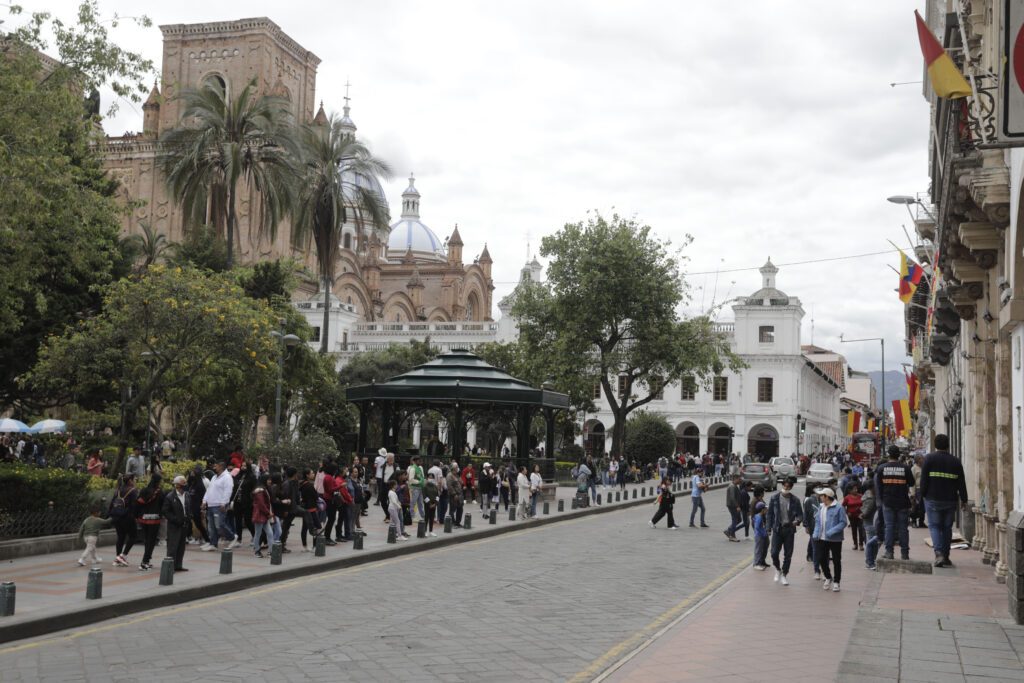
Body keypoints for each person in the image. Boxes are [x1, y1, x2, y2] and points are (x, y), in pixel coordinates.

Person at [921, 434, 968, 568]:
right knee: (947, 528)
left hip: (933, 499)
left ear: (935, 445)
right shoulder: (956, 461)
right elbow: (961, 483)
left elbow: (924, 480)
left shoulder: (929, 459)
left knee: (935, 526)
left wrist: (922, 496)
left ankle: (939, 554)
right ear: (948, 445)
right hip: (950, 500)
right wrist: (964, 500)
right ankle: (946, 556)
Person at [875, 445, 915, 561]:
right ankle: (904, 553)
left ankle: (889, 552)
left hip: (888, 502)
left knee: (889, 527)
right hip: (902, 502)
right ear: (899, 455)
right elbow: (912, 483)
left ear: (888, 455)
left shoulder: (881, 468)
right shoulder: (905, 468)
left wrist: (883, 499)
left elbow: (879, 487)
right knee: (903, 528)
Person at [767, 476, 802, 585]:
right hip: (778, 529)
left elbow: (800, 515)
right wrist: (768, 528)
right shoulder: (774, 498)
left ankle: (785, 574)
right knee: (773, 553)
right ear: (782, 486)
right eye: (784, 486)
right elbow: (769, 514)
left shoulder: (795, 500)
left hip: (789, 530)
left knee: (788, 554)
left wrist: (798, 520)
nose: (785, 488)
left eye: (788, 487)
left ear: (791, 488)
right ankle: (778, 569)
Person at [813, 487, 848, 592]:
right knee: (821, 559)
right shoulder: (821, 507)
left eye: (821, 495)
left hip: (835, 539)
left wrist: (831, 532)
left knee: (836, 561)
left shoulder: (838, 508)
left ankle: (837, 582)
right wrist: (815, 533)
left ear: (827, 497)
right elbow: (818, 522)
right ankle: (828, 577)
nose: (819, 497)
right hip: (822, 538)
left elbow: (843, 522)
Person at [202, 460, 238, 550]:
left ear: (221, 467)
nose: (214, 467)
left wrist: (224, 503)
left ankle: (232, 537)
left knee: (220, 524)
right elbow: (209, 490)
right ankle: (213, 544)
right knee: (212, 526)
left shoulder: (227, 477)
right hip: (211, 504)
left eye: (216, 466)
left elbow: (228, 491)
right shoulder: (214, 477)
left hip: (219, 505)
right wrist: (204, 501)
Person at [108, 473, 138, 567]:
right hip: (128, 518)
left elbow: (112, 503)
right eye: (135, 479)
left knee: (120, 538)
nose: (135, 481)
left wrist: (111, 515)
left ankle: (118, 558)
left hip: (117, 517)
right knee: (133, 536)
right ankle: (123, 556)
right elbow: (134, 506)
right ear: (130, 480)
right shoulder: (133, 491)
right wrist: (135, 517)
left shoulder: (118, 489)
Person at [136, 474, 164, 571]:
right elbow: (162, 506)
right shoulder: (159, 492)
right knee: (151, 541)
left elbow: (138, 503)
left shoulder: (144, 490)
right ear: (158, 481)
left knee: (147, 540)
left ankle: (147, 561)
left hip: (143, 519)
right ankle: (144, 562)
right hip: (154, 520)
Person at [162, 475, 190, 571]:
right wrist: (175, 519)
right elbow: (165, 511)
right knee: (172, 547)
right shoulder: (170, 497)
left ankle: (178, 565)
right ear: (178, 485)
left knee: (181, 546)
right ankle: (170, 567)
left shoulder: (186, 494)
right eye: (184, 483)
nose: (186, 485)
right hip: (174, 526)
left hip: (184, 525)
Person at [251, 474, 276, 557]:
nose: (270, 481)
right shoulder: (260, 490)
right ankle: (257, 550)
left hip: (263, 514)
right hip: (260, 514)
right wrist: (268, 513)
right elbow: (261, 504)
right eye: (268, 480)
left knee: (269, 533)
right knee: (259, 533)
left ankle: (270, 551)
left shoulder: (262, 489)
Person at [803, 483, 822, 579]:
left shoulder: (824, 499)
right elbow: (805, 514)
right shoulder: (809, 500)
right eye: (817, 488)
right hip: (813, 528)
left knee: (824, 551)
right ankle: (816, 570)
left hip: (824, 530)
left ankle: (824, 570)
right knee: (815, 550)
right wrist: (806, 526)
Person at [842, 483, 864, 550]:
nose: (856, 490)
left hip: (860, 515)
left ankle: (861, 544)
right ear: (850, 490)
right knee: (854, 530)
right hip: (852, 516)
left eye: (856, 489)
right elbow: (843, 506)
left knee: (861, 530)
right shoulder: (847, 498)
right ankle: (855, 544)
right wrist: (847, 512)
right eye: (854, 489)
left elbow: (865, 504)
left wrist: (862, 509)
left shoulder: (861, 496)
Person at [723, 473, 742, 541]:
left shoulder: (735, 485)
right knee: (735, 520)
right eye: (739, 479)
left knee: (739, 519)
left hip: (735, 505)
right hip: (732, 506)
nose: (740, 480)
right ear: (735, 479)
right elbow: (732, 497)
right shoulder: (732, 486)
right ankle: (732, 536)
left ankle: (729, 530)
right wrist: (737, 506)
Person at [408, 455, 426, 521]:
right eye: (419, 461)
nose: (420, 462)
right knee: (413, 502)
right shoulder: (413, 468)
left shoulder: (419, 468)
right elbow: (411, 479)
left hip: (419, 488)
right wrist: (419, 482)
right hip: (415, 488)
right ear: (415, 461)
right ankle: (412, 516)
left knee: (420, 503)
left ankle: (423, 515)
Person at [752, 501, 769, 570]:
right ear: (762, 510)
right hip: (760, 536)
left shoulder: (760, 516)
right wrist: (761, 534)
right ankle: (756, 564)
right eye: (765, 509)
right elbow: (757, 527)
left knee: (762, 549)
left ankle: (761, 562)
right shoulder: (759, 517)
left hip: (763, 535)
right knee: (758, 550)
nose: (765, 510)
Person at [423, 472, 439, 536]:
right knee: (426, 517)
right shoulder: (425, 486)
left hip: (434, 504)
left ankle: (431, 530)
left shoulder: (435, 486)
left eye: (432, 477)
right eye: (429, 477)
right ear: (427, 478)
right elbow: (424, 496)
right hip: (427, 504)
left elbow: (437, 496)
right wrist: (429, 504)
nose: (431, 478)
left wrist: (435, 503)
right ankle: (425, 531)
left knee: (432, 517)